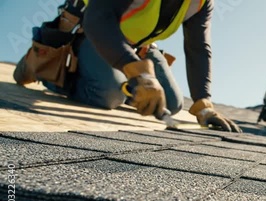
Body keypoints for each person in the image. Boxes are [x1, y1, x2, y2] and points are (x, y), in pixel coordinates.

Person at [13, 0, 241, 133]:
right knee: (107, 95)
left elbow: (198, 47)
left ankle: (126, 84)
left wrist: (203, 103)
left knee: (172, 104)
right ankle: (44, 71)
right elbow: (97, 19)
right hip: (94, 34)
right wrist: (136, 71)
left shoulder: (201, 2)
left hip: (139, 46)